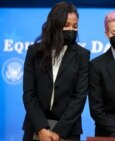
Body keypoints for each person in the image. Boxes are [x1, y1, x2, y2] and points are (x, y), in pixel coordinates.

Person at [22, 1, 90, 141]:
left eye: (75, 26)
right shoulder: (34, 52)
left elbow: (79, 97)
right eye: (66, 25)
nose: (71, 29)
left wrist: (58, 132)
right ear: (55, 25)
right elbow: (29, 94)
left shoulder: (82, 55)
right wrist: (41, 128)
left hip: (68, 131)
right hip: (35, 129)